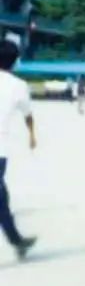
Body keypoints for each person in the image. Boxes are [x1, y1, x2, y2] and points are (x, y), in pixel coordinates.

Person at [0, 40, 37, 259]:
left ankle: (17, 240)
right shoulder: (18, 86)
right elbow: (28, 115)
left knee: (1, 197)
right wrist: (32, 134)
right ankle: (16, 240)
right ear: (14, 62)